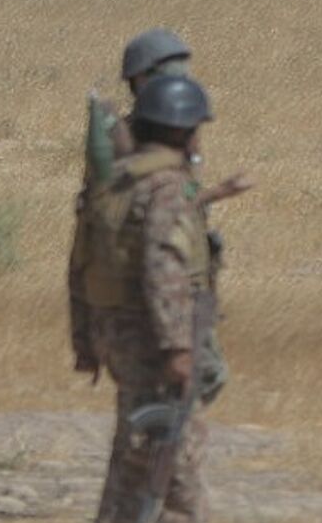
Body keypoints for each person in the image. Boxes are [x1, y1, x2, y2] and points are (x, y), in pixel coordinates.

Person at [74, 72, 224, 523]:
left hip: (119, 332)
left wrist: (85, 339)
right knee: (150, 453)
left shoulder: (119, 182)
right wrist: (177, 347)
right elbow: (163, 270)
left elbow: (80, 263)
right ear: (183, 130)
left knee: (169, 447)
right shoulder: (165, 189)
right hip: (152, 340)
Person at [70, 29, 248, 402]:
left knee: (169, 397)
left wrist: (212, 194)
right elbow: (139, 216)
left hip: (168, 285)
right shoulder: (135, 139)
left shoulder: (172, 128)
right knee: (186, 390)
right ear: (139, 78)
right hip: (147, 291)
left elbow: (175, 200)